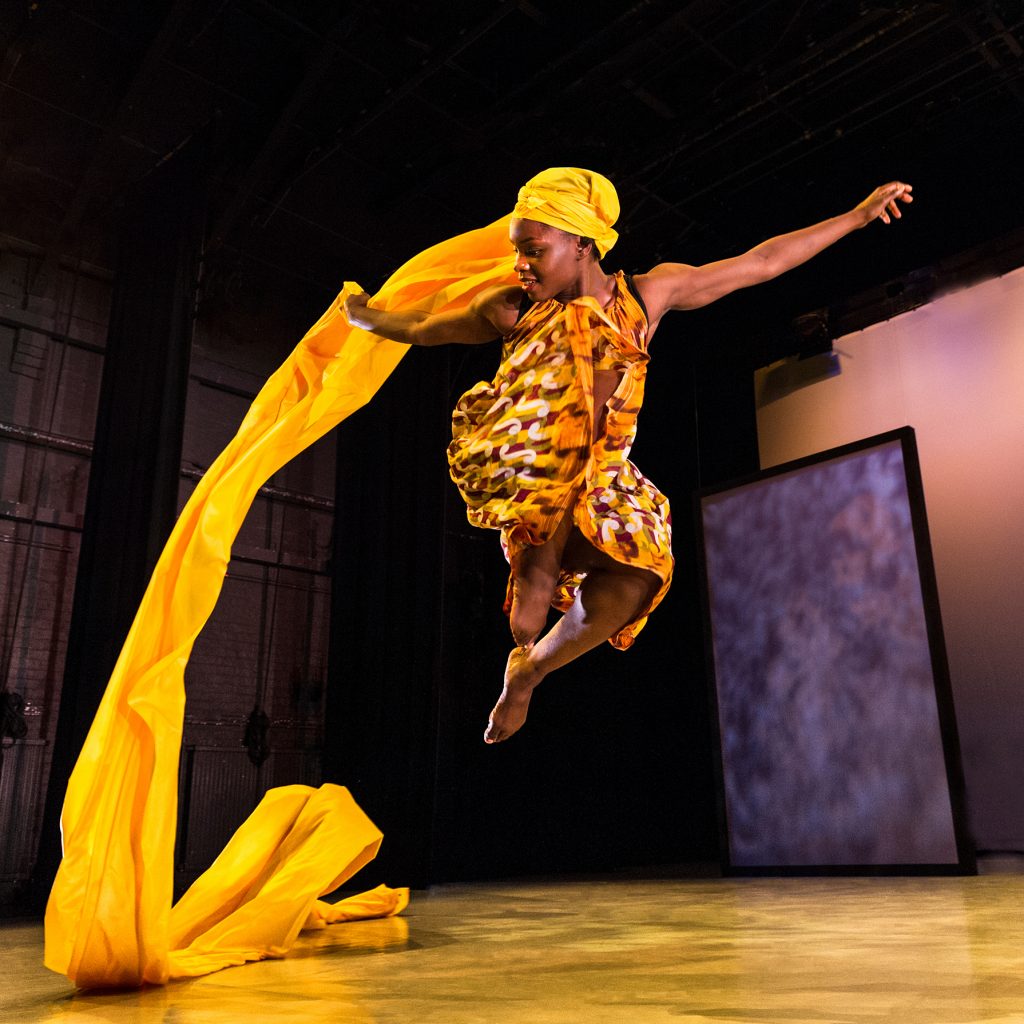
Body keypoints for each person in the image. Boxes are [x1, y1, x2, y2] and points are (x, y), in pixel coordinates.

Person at [343, 167, 913, 745]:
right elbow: (424, 326)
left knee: (642, 576)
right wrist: (366, 316)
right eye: (518, 251)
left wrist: (857, 215)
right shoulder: (512, 310)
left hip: (602, 479)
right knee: (526, 617)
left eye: (533, 251)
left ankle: (529, 673)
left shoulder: (643, 297)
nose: (520, 264)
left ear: (582, 244)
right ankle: (527, 645)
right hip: (535, 476)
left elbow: (760, 263)